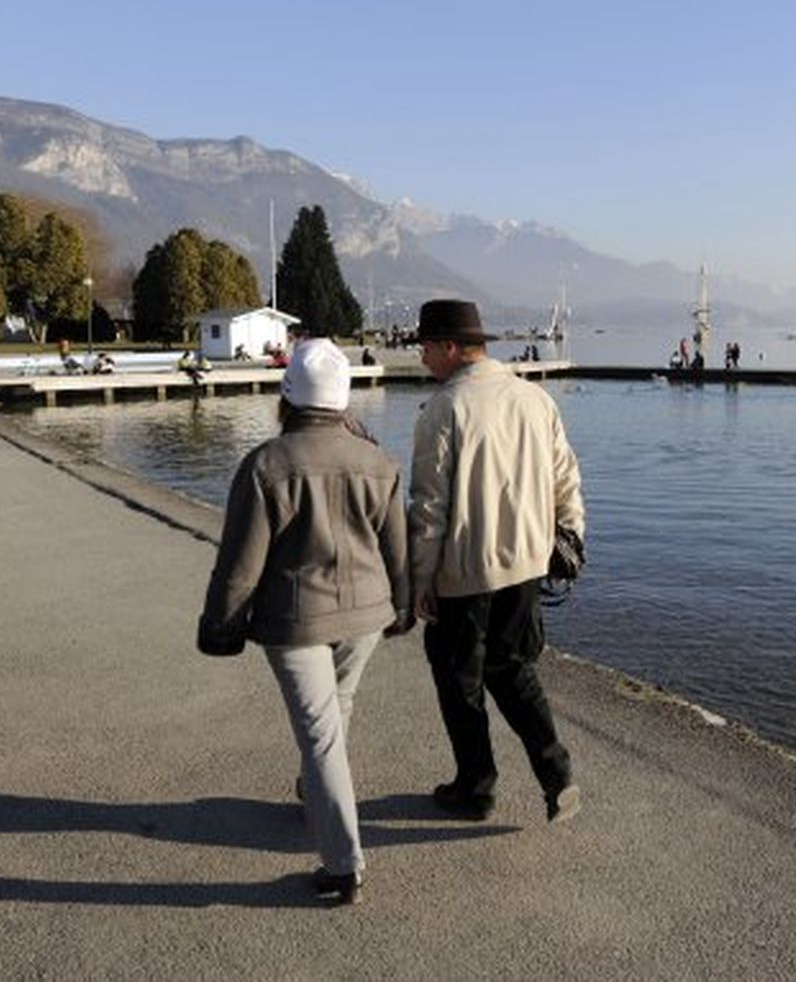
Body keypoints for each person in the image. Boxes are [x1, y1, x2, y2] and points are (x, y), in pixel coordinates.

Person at [197, 337, 410, 905]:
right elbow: (398, 551)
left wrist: (219, 626)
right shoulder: (379, 462)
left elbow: (240, 565)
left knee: (319, 734)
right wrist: (403, 606)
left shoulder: (267, 465)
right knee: (334, 713)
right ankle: (315, 794)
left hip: (295, 620)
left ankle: (344, 864)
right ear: (342, 401)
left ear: (287, 397)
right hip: (366, 614)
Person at [409, 299, 585, 824]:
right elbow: (565, 477)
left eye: (424, 347)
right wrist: (571, 535)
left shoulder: (444, 409)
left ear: (450, 347)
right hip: (528, 563)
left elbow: (428, 506)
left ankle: (476, 787)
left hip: (465, 569)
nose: (421, 358)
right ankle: (557, 776)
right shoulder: (535, 399)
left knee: (459, 680)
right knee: (513, 671)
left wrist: (420, 578)